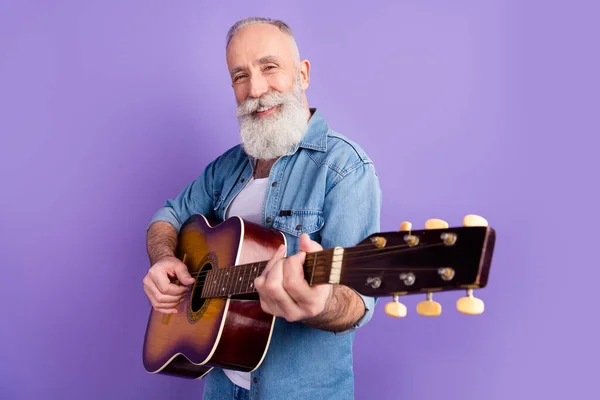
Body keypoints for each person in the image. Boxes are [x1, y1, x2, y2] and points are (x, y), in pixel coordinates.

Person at [142, 17, 382, 400]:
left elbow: (356, 302)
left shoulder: (345, 168)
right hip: (221, 386)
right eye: (240, 76)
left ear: (302, 73)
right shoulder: (226, 167)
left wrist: (320, 303)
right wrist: (163, 258)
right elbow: (167, 216)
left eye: (269, 67)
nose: (255, 89)